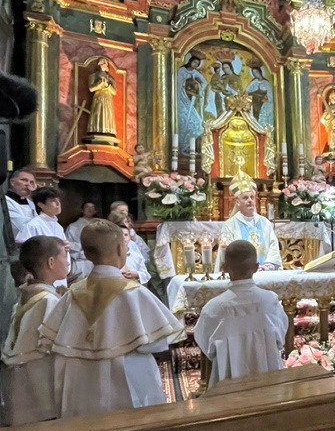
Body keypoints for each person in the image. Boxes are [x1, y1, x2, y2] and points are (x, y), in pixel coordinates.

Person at [38, 219, 184, 418]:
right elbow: (156, 344)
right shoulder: (134, 293)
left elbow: (51, 340)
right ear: (119, 249)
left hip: (80, 383)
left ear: (87, 254)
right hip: (127, 375)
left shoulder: (72, 293)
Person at [195, 240, 288, 387]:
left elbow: (206, 345)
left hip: (229, 384)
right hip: (270, 380)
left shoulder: (213, 308)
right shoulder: (270, 300)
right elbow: (280, 337)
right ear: (257, 267)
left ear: (225, 267)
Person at [0, 236, 68, 425]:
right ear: (51, 262)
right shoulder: (47, 301)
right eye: (64, 255)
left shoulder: (27, 293)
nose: (68, 261)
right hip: (39, 383)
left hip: (20, 380)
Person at [215, 172, 282, 271]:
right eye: (245, 198)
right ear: (238, 202)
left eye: (252, 197)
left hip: (265, 272)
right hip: (241, 274)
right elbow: (228, 252)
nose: (250, 200)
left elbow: (273, 247)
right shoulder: (230, 225)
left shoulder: (265, 222)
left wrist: (266, 267)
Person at [15, 187, 70, 288]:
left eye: (59, 201)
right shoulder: (33, 225)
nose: (58, 204)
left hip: (60, 276)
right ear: (41, 205)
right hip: (42, 277)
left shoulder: (58, 227)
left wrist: (65, 249)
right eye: (53, 201)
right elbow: (26, 252)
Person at [177, 52, 207, 154]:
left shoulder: (195, 73)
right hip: (181, 99)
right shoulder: (181, 70)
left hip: (191, 100)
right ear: (190, 61)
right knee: (183, 123)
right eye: (194, 62)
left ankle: (188, 147)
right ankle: (182, 147)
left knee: (197, 123)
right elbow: (178, 84)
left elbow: (204, 82)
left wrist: (199, 90)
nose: (195, 65)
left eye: (197, 64)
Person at [111, 218, 151, 285]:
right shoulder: (110, 256)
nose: (123, 237)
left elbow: (146, 274)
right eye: (120, 235)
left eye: (126, 235)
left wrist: (136, 274)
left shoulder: (137, 256)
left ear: (130, 238)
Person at [86, 57, 117, 138]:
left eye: (105, 62)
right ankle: (96, 130)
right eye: (101, 62)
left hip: (107, 98)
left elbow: (114, 92)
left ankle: (108, 131)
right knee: (97, 113)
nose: (103, 64)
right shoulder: (93, 76)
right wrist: (99, 84)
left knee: (107, 114)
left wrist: (107, 86)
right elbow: (91, 89)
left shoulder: (111, 78)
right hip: (98, 97)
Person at [65, 201, 97, 279]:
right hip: (80, 262)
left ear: (95, 211)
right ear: (82, 210)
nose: (90, 209)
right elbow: (68, 244)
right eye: (87, 207)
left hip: (96, 262)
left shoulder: (100, 225)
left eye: (92, 207)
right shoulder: (73, 226)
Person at [5, 169, 37, 237]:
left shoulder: (30, 203)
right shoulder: (6, 201)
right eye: (24, 180)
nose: (28, 184)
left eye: (31, 182)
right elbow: (20, 227)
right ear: (12, 182)